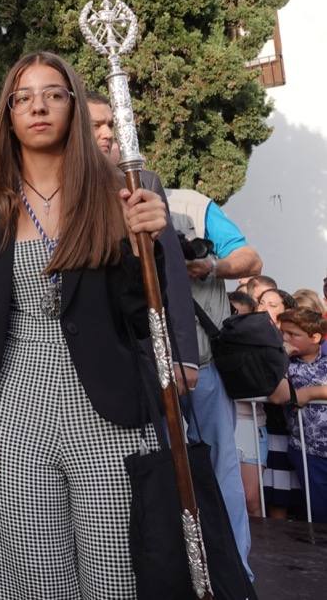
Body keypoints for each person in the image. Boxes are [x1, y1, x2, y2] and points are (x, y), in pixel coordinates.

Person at [0, 51, 171, 598]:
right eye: (23, 97)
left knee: (117, 568)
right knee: (34, 570)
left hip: (106, 406)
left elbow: (141, 318)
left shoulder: (112, 196)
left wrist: (144, 246)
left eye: (53, 94)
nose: (38, 106)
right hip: (18, 407)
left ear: (72, 104)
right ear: (9, 114)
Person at [166, 186, 263, 580]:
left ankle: (235, 573)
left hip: (204, 365)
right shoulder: (97, 199)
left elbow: (250, 259)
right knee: (157, 474)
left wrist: (211, 267)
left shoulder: (192, 204)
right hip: (146, 371)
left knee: (223, 468)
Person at [87, 93, 200, 391]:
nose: (108, 133)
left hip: (141, 346)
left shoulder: (140, 184)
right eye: (96, 125)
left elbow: (172, 275)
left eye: (110, 124)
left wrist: (184, 355)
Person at [277, 308, 327, 522]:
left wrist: (309, 393)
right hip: (308, 451)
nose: (286, 339)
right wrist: (281, 359)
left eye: (293, 334)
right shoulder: (286, 365)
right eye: (283, 333)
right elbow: (278, 396)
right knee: (319, 510)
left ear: (315, 337)